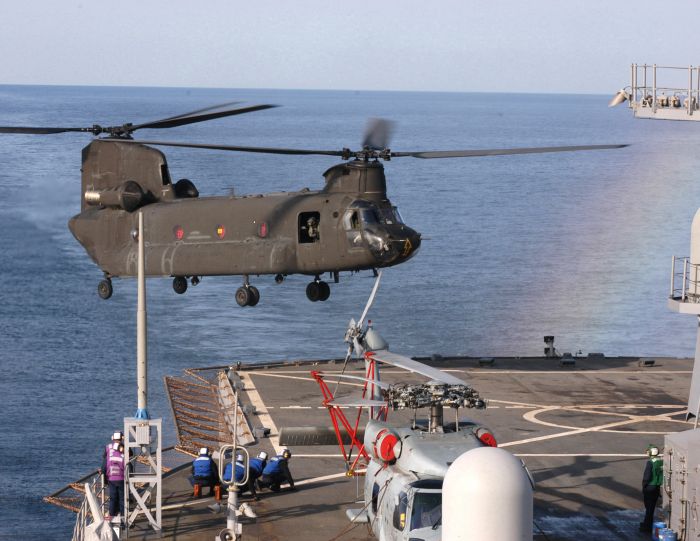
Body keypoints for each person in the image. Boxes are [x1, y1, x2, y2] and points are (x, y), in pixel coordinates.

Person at [101, 431, 125, 519]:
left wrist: (104, 479)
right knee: (122, 498)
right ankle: (123, 517)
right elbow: (130, 457)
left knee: (113, 497)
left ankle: (111, 515)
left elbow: (104, 464)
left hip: (111, 477)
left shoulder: (108, 448)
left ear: (113, 438)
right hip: (122, 477)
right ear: (122, 438)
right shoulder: (125, 448)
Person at [640, 444, 663, 532]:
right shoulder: (660, 461)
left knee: (648, 507)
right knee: (652, 507)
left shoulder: (650, 462)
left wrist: (644, 485)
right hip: (657, 487)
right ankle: (647, 523)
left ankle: (647, 525)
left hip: (649, 487)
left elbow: (647, 476)